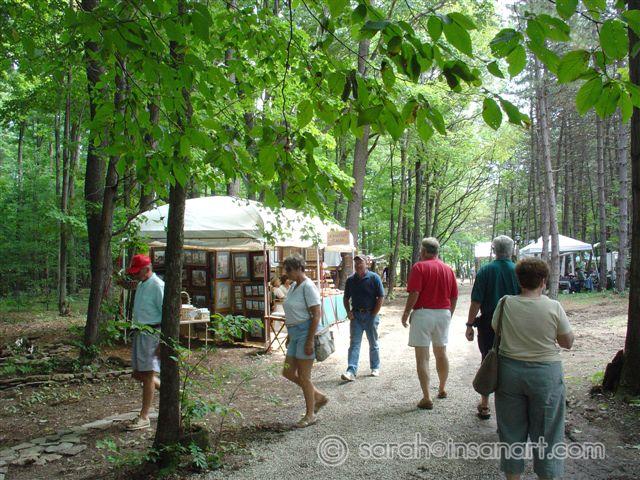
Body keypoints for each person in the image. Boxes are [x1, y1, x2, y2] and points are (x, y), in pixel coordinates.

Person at [494, 257, 574, 480]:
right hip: (546, 375)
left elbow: (496, 329)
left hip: (509, 372)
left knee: (510, 431)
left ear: (519, 280)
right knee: (548, 431)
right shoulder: (553, 306)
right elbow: (567, 342)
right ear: (543, 281)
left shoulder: (505, 303)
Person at [466, 235, 520, 420]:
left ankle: (485, 404)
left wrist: (469, 324)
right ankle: (510, 404)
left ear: (494, 250)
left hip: (489, 324)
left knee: (488, 360)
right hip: (514, 323)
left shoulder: (485, 271)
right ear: (511, 250)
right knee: (511, 361)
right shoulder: (518, 270)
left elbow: (476, 301)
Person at [401, 237, 458, 410]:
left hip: (423, 314)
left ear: (424, 251)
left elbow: (415, 293)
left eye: (421, 250)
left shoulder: (419, 267)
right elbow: (454, 296)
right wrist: (449, 314)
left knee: (422, 357)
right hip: (443, 313)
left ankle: (426, 397)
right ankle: (442, 388)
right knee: (441, 353)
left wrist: (406, 313)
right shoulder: (448, 269)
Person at [281, 254, 328, 428]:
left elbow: (316, 314)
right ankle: (318, 396)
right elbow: (293, 312)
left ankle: (310, 415)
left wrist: (309, 341)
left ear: (299, 268)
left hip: (305, 333)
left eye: (289, 269)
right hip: (294, 333)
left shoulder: (308, 286)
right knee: (287, 372)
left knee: (304, 377)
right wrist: (289, 335)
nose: (286, 273)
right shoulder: (294, 286)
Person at [125, 254, 164, 431]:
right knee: (137, 373)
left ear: (147, 269)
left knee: (147, 374)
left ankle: (144, 416)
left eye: (137, 271)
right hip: (140, 332)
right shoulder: (142, 284)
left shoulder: (158, 285)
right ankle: (170, 391)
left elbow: (168, 314)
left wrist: (162, 341)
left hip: (152, 333)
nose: (135, 275)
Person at [341, 254, 385, 381]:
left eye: (360, 262)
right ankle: (351, 371)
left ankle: (375, 367)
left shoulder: (374, 278)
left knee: (373, 343)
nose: (358, 265)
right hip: (356, 316)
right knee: (354, 344)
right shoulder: (350, 280)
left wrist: (374, 313)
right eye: (356, 263)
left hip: (371, 315)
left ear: (367, 263)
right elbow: (345, 298)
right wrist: (348, 312)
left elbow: (381, 296)